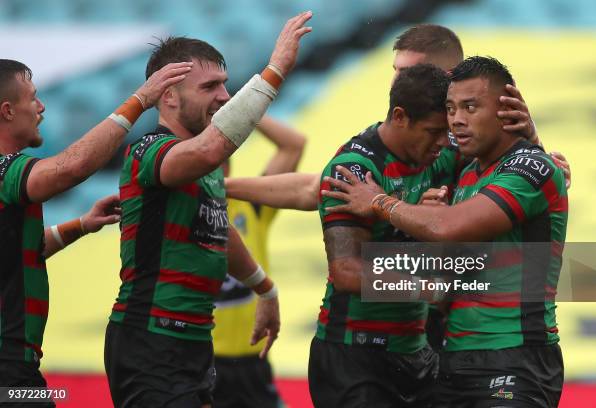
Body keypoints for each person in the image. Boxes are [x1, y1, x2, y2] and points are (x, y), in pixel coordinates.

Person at [322, 56, 567, 408]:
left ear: (506, 108)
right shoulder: (467, 175)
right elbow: (451, 261)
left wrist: (379, 202)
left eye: (470, 107)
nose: (457, 120)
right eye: (451, 109)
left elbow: (447, 229)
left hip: (515, 358)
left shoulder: (531, 167)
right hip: (452, 361)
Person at [104, 11, 312, 408]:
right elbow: (212, 147)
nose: (224, 95)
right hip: (151, 338)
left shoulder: (210, 167)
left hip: (195, 341)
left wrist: (264, 288)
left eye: (225, 84)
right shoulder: (148, 150)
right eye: (211, 86)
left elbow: (217, 230)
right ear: (168, 96)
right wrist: (275, 70)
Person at [0, 57, 189, 400]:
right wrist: (139, 101)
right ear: (7, 111)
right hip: (8, 369)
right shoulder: (4, 172)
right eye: (32, 98)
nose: (41, 107)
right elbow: (73, 167)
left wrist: (80, 225)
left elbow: (17, 251)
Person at [223, 24, 570, 211]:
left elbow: (533, 182)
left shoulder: (484, 130)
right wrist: (220, 188)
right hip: (428, 299)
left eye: (407, 71)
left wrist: (541, 151)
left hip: (478, 306)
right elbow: (322, 187)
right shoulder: (393, 135)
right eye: (394, 70)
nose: (395, 82)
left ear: (447, 74)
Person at [213, 116, 306, 408]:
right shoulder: (179, 210)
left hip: (252, 362)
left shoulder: (250, 205)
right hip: (201, 362)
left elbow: (293, 145)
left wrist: (244, 109)